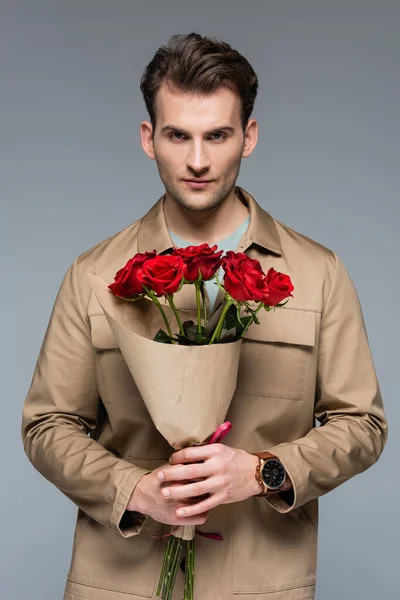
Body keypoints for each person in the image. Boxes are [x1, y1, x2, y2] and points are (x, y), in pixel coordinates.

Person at [21, 32, 388, 600]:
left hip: (263, 583)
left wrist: (263, 471)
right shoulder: (93, 275)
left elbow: (362, 424)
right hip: (117, 582)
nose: (197, 160)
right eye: (178, 135)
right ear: (149, 139)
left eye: (217, 135)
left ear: (250, 136)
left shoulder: (319, 273)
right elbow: (47, 426)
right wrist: (133, 488)